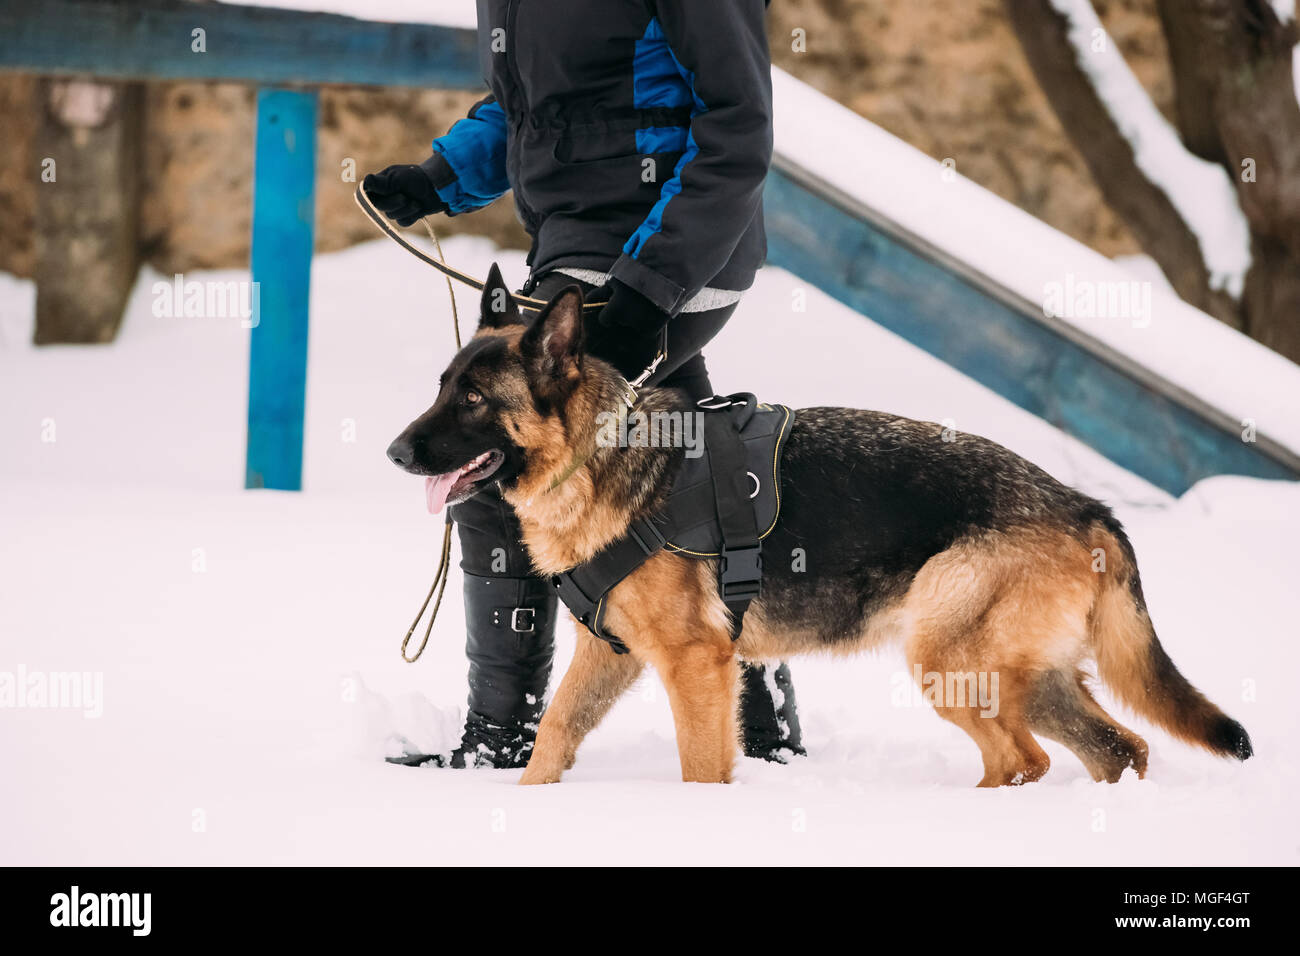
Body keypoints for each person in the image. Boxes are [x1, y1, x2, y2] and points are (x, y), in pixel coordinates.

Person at [364, 0, 802, 768]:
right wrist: (439, 177)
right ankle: (763, 729)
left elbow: (736, 123)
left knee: (508, 457)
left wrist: (648, 286)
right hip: (577, 242)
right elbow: (531, 107)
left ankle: (503, 735)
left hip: (671, 245)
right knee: (692, 464)